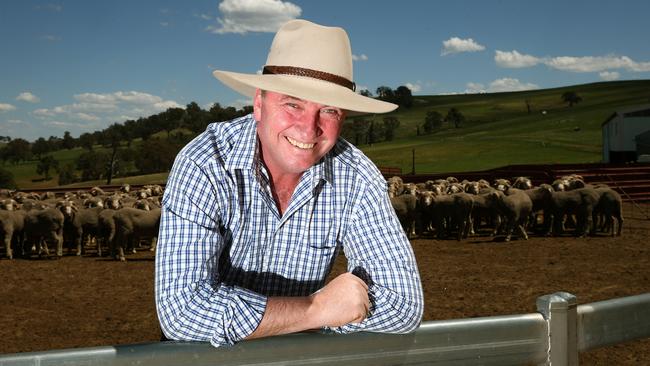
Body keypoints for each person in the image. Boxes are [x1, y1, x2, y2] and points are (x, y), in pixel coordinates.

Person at [155, 19, 423, 347]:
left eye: (329, 110)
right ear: (259, 103)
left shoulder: (356, 177)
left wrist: (284, 319)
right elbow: (182, 312)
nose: (308, 129)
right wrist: (316, 310)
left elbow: (404, 305)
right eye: (292, 103)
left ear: (344, 118)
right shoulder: (206, 162)